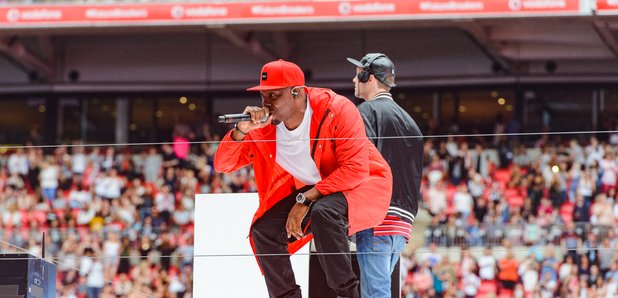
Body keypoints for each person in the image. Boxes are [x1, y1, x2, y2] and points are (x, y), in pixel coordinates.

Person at [214, 59, 393, 298]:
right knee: (263, 230)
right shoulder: (264, 128)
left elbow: (356, 169)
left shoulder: (337, 108)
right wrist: (241, 130)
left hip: (364, 184)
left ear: (296, 93)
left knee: (324, 212)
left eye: (273, 96)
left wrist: (306, 200)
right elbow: (223, 164)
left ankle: (348, 294)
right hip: (319, 190)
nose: (266, 104)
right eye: (263, 97)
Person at [347, 53, 423, 298]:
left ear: (368, 76)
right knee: (379, 290)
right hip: (403, 222)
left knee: (375, 294)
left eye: (358, 73)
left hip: (378, 216)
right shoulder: (411, 122)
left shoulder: (366, 112)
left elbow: (359, 163)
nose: (353, 78)